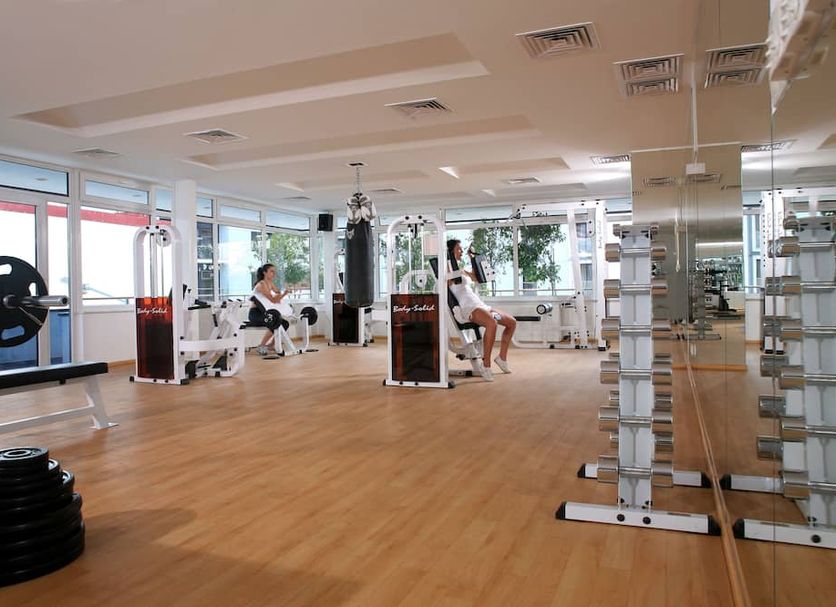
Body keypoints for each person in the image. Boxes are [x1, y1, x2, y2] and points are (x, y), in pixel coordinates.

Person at [446, 239, 516, 381]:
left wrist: (473, 258)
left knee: (511, 322)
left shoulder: (461, 269)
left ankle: (502, 358)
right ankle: (486, 365)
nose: (461, 251)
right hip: (468, 307)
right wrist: (449, 263)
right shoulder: (447, 270)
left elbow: (476, 278)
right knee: (491, 323)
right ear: (450, 252)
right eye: (458, 249)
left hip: (480, 304)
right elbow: (448, 281)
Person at [250, 263, 293, 355]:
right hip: (255, 314)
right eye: (271, 271)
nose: (274, 274)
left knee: (285, 323)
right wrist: (284, 293)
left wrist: (283, 292)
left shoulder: (270, 283)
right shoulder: (261, 284)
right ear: (264, 272)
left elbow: (277, 294)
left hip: (264, 313)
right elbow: (273, 300)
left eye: (274, 272)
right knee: (275, 322)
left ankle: (272, 344)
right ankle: (261, 345)